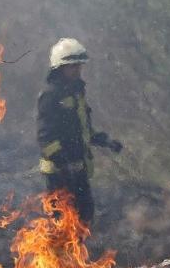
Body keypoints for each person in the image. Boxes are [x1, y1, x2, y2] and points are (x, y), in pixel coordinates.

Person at [36, 38, 123, 224]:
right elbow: (45, 137)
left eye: (79, 66)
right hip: (59, 173)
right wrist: (63, 161)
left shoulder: (76, 92)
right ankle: (57, 253)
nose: (77, 70)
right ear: (59, 68)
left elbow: (82, 129)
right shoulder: (51, 95)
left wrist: (105, 141)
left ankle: (76, 253)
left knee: (84, 216)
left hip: (78, 167)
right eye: (72, 66)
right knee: (62, 221)